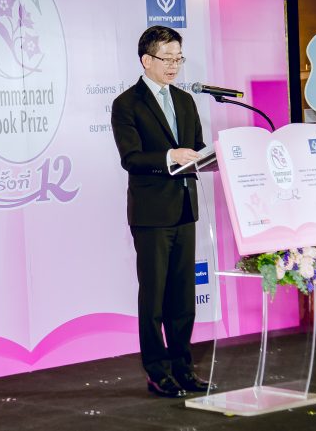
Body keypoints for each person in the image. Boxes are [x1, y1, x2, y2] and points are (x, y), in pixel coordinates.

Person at [111, 26, 210, 398]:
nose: (174, 66)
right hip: (152, 214)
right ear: (146, 60)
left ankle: (184, 367)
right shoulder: (127, 104)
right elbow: (131, 158)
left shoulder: (185, 101)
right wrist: (171, 156)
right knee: (153, 298)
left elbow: (197, 146)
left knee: (183, 298)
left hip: (185, 208)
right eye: (167, 58)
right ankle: (157, 371)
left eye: (178, 58)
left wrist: (208, 156)